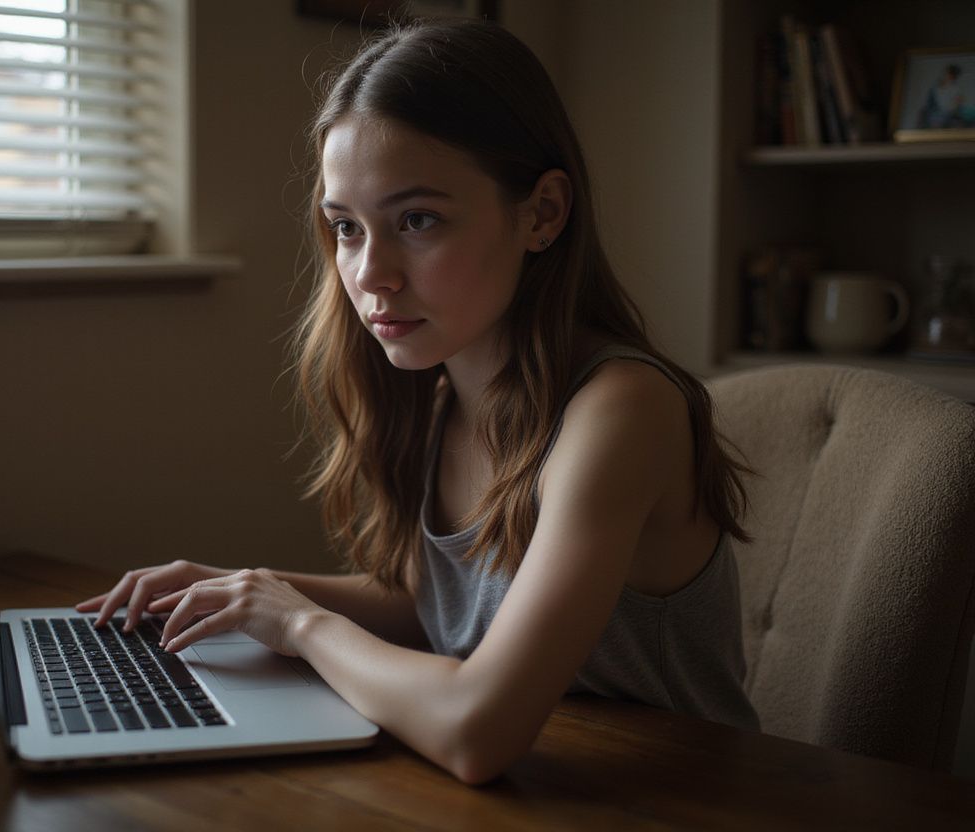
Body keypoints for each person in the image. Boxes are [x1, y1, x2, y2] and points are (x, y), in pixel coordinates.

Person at [77, 18, 759, 784]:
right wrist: (243, 590)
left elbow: (477, 731)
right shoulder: (445, 389)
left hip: (677, 801)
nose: (370, 274)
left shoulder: (621, 410)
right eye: (346, 227)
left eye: (417, 220)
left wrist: (299, 623)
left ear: (542, 214)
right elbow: (432, 604)